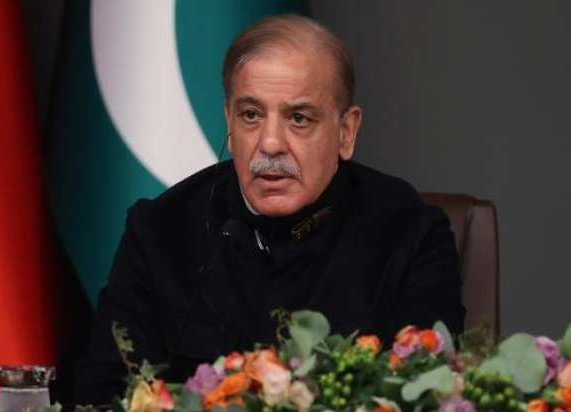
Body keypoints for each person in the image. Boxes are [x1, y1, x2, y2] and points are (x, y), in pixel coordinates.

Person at [75, 14, 464, 404]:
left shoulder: (409, 233)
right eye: (251, 115)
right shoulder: (160, 230)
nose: (271, 143)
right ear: (229, 122)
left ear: (346, 132)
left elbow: (427, 394)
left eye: (298, 118)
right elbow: (102, 393)